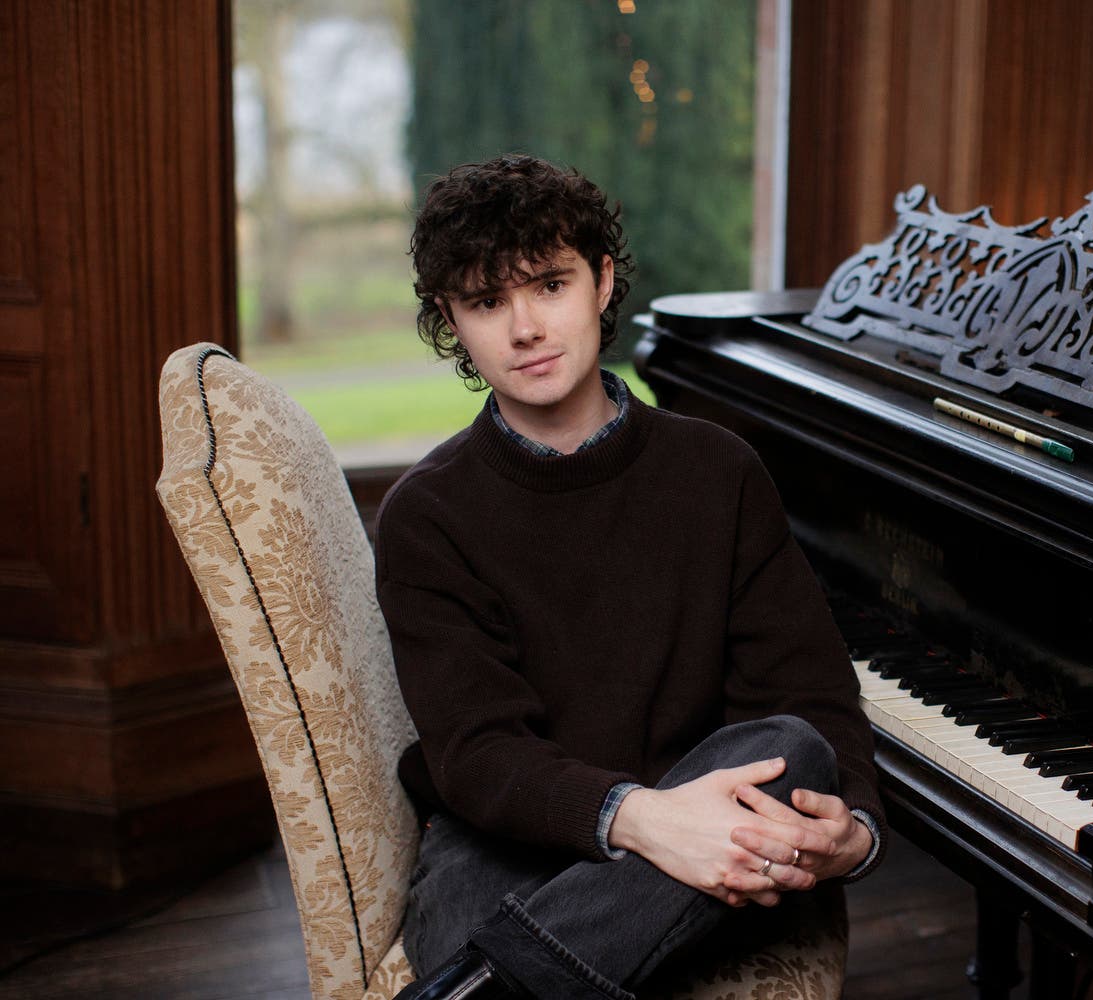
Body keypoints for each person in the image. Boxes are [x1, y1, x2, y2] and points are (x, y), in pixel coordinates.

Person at [376, 153, 886, 1000]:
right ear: (451, 321)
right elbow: (478, 756)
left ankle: (488, 989)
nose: (525, 327)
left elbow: (811, 691)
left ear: (603, 282)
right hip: (507, 844)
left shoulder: (717, 472)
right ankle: (518, 973)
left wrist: (857, 833)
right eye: (486, 301)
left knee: (792, 751)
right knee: (473, 908)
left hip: (699, 821)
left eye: (549, 285)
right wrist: (642, 822)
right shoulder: (428, 514)